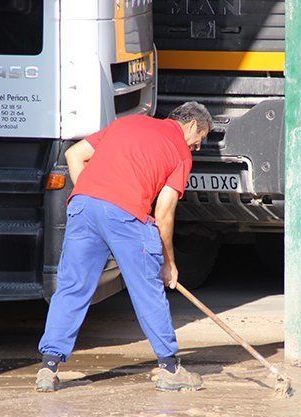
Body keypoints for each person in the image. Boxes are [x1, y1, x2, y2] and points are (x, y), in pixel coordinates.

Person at [36, 102, 212, 392]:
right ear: (192, 125)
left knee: (72, 287)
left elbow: (74, 155)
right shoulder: (180, 152)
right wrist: (169, 263)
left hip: (83, 206)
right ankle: (170, 369)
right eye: (200, 139)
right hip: (127, 215)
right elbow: (164, 212)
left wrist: (95, 198)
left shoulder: (127, 122)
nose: (197, 147)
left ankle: (48, 369)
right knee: (147, 291)